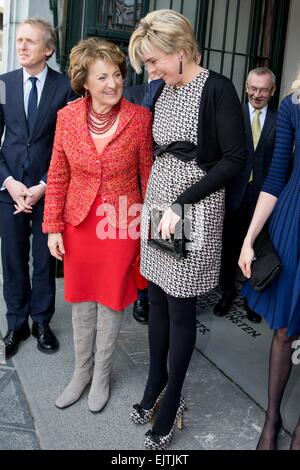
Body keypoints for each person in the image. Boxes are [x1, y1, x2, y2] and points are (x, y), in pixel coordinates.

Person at [128, 9, 246, 450]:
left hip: (194, 205)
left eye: (155, 60)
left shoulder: (217, 89)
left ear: (180, 52)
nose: (151, 70)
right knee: (156, 295)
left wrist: (183, 202)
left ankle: (173, 396)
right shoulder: (164, 89)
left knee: (180, 306)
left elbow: (234, 160)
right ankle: (156, 381)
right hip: (163, 199)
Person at [42, 38, 153, 412]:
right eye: (102, 76)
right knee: (80, 299)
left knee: (110, 301)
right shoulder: (67, 117)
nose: (113, 83)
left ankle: (102, 374)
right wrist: (53, 226)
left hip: (121, 223)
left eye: (117, 74)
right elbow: (57, 174)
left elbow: (149, 177)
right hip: (79, 222)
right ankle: (81, 372)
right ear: (84, 82)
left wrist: (148, 230)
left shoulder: (139, 120)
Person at [0, 18, 75, 359]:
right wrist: (9, 182)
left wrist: (44, 185)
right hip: (9, 190)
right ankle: (16, 323)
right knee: (13, 259)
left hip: (50, 190)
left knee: (44, 260)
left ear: (48, 49)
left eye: (30, 41)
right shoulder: (3, 84)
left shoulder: (64, 88)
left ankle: (42, 322)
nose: (22, 47)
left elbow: (69, 145)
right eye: (19, 40)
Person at [239, 72, 300, 450]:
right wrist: (248, 239)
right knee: (284, 330)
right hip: (295, 222)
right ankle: (272, 418)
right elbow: (276, 177)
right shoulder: (295, 104)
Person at [214, 68, 277, 323]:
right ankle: (227, 293)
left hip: (263, 197)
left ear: (272, 91)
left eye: (263, 89)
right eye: (253, 88)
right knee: (229, 246)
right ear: (246, 86)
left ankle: (252, 299)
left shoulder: (278, 119)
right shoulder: (233, 115)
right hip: (233, 192)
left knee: (256, 248)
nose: (257, 94)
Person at [124, 73, 163, 325]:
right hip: (136, 180)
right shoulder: (131, 93)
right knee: (139, 242)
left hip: (168, 178)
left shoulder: (182, 93)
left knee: (165, 242)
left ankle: (161, 296)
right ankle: (141, 296)